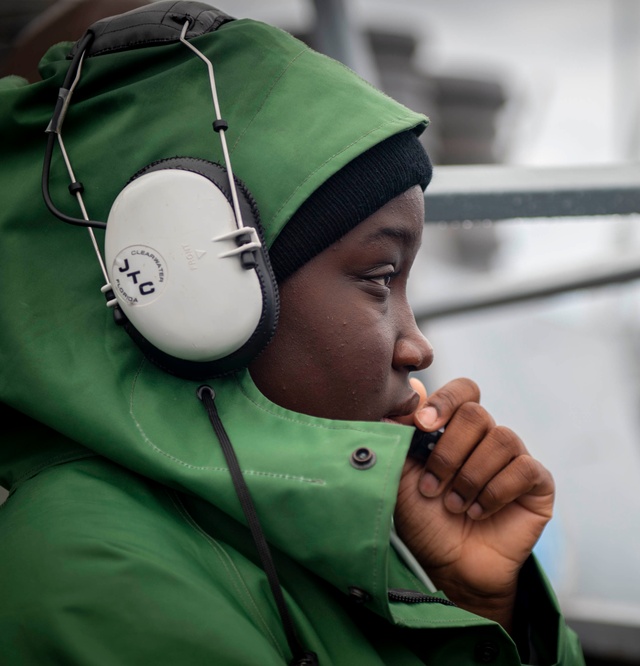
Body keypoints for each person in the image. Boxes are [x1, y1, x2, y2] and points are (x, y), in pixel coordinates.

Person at [0, 2, 585, 664]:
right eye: (378, 277)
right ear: (195, 290)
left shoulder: (295, 530)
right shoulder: (97, 573)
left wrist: (478, 609)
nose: (419, 347)